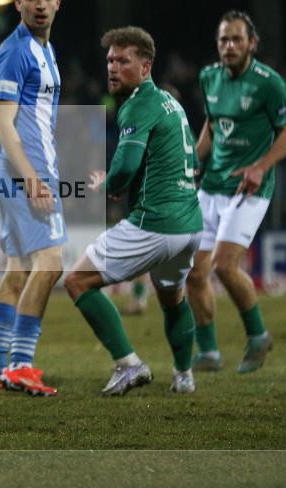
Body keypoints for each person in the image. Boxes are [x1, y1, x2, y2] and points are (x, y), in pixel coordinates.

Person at [64, 26, 203, 395]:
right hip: (189, 225)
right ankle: (184, 375)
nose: (112, 67)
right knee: (173, 299)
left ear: (145, 67)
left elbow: (124, 168)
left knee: (77, 281)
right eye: (110, 60)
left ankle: (129, 364)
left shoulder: (139, 104)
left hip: (155, 223)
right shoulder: (171, 102)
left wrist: (106, 184)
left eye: (123, 61)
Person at [185, 11, 286, 374]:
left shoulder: (269, 83)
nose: (229, 46)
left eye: (236, 39)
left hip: (250, 187)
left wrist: (260, 166)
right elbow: (213, 127)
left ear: (252, 43)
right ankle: (208, 352)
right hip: (212, 184)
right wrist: (188, 162)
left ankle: (257, 335)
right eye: (223, 40)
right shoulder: (209, 77)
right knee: (192, 270)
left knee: (222, 264)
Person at [0, 0, 66, 397]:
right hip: (23, 172)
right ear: (18, 4)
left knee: (18, 270)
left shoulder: (44, 50)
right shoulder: (16, 51)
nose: (40, 5)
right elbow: (2, 124)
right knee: (51, 265)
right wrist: (33, 178)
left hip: (22, 170)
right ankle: (21, 364)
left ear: (57, 3)